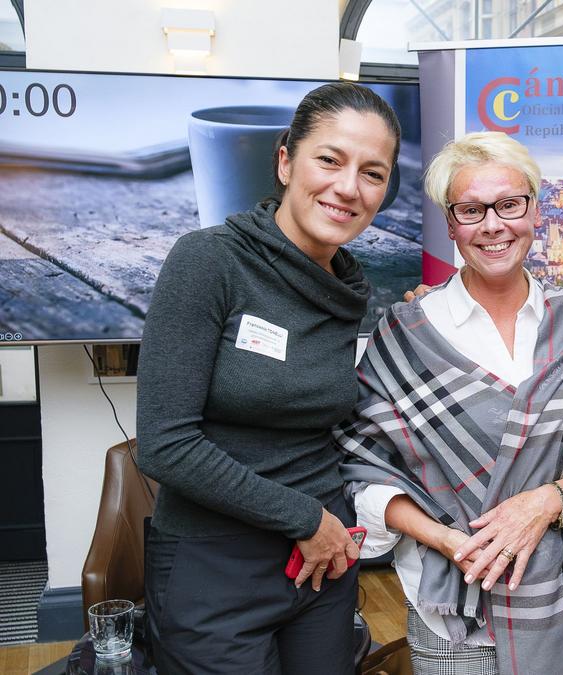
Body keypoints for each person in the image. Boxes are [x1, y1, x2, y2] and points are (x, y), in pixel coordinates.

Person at [335, 131, 563, 675]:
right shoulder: (405, 334)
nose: (493, 225)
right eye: (471, 210)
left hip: (559, 601)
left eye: (509, 204)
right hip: (449, 613)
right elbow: (361, 469)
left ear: (535, 210)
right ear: (451, 225)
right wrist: (446, 540)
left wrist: (544, 503)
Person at [136, 82, 402, 674]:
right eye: (329, 160)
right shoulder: (209, 261)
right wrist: (305, 520)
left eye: (372, 173)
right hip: (216, 565)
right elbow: (164, 444)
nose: (348, 187)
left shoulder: (347, 286)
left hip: (321, 564)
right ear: (285, 162)